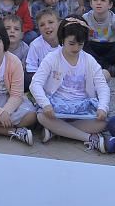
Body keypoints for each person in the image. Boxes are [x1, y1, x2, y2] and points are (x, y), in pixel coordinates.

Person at [30, 17, 110, 150]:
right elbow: (35, 83)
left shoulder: (89, 60)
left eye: (80, 44)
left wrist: (103, 107)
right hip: (57, 105)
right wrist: (45, 104)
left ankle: (57, 131)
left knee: (103, 123)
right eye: (71, 43)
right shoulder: (52, 57)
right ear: (63, 39)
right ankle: (88, 138)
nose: (76, 48)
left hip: (82, 106)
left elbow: (102, 86)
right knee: (41, 116)